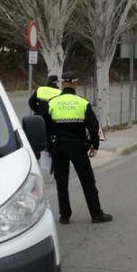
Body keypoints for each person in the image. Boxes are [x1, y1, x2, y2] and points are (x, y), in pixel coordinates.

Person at [43, 71, 112, 224]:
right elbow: (94, 127)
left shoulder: (52, 102)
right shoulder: (82, 102)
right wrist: (94, 145)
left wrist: (48, 146)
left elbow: (45, 127)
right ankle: (96, 214)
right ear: (75, 83)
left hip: (58, 147)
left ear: (62, 83)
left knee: (61, 182)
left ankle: (64, 216)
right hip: (78, 147)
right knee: (87, 181)